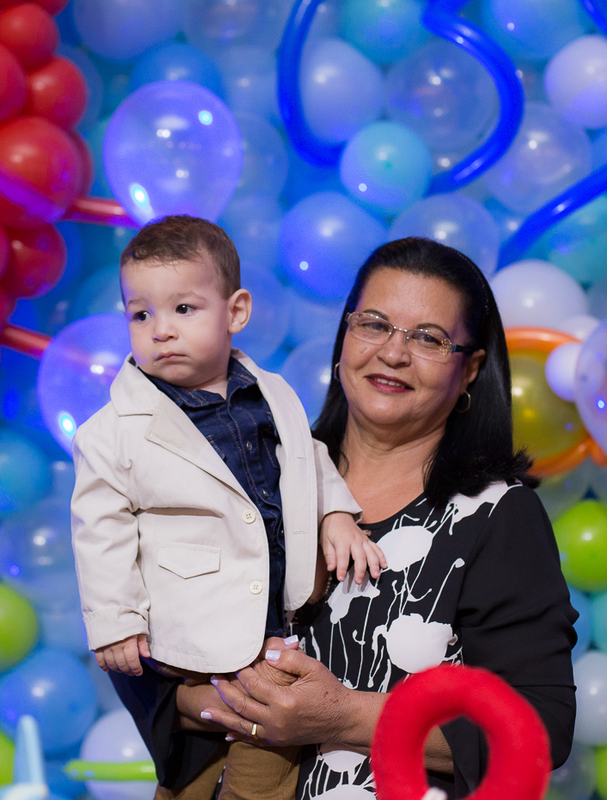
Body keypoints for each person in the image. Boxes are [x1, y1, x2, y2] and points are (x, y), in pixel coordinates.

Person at [112, 237, 578, 799]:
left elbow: (538, 728)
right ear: (344, 338)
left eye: (429, 338)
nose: (393, 354)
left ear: (470, 369)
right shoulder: (257, 470)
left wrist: (343, 716)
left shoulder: (496, 515)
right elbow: (141, 630)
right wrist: (221, 703)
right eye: (374, 325)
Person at [69, 215, 387, 800]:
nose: (161, 330)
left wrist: (336, 515)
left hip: (271, 623)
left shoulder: (272, 393)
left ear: (235, 312)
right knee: (198, 762)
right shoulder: (111, 432)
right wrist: (116, 620)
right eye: (141, 315)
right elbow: (100, 530)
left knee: (265, 745)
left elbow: (307, 457)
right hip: (188, 621)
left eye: (183, 309)